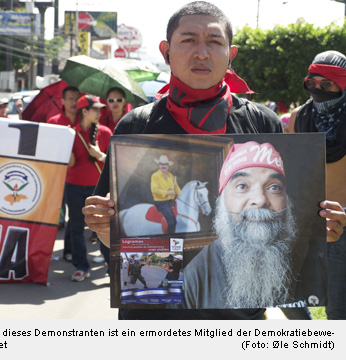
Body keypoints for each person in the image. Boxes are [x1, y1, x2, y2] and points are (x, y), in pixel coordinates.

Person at [82, 1, 346, 320]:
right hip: (153, 322)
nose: (202, 53)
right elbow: (116, 235)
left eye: (214, 42)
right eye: (189, 40)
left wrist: (317, 230)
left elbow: (281, 230)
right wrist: (103, 225)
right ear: (166, 50)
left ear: (231, 54)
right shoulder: (135, 126)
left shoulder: (265, 124)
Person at [179, 141, 323, 309]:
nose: (260, 200)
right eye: (242, 186)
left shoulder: (313, 256)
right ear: (222, 201)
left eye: (274, 187)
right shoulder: (192, 277)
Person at [289, 50, 346, 319]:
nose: (318, 90)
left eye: (327, 84)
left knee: (338, 305)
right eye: (312, 83)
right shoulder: (298, 118)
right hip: (306, 218)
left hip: (341, 222)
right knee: (288, 299)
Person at [65, 95, 112, 281]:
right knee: (76, 227)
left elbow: (116, 161)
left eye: (101, 109)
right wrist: (65, 144)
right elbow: (70, 163)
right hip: (74, 186)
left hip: (98, 187)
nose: (100, 113)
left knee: (104, 227)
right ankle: (81, 266)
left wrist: (99, 154)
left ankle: (111, 267)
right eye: (95, 109)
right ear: (84, 111)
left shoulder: (106, 132)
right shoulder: (71, 133)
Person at [47, 86, 81, 261]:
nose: (74, 102)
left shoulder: (84, 120)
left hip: (77, 176)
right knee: (55, 215)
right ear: (63, 101)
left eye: (77, 98)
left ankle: (69, 250)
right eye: (70, 99)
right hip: (57, 175)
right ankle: (46, 250)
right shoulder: (54, 121)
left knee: (74, 217)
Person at [151, 155, 181, 233]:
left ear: (168, 166)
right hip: (161, 202)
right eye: (162, 164)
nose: (163, 166)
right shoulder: (155, 176)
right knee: (172, 221)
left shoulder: (171, 176)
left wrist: (182, 196)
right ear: (159, 165)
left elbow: (177, 188)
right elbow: (154, 190)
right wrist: (167, 192)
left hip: (172, 201)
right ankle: (170, 238)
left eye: (165, 164)